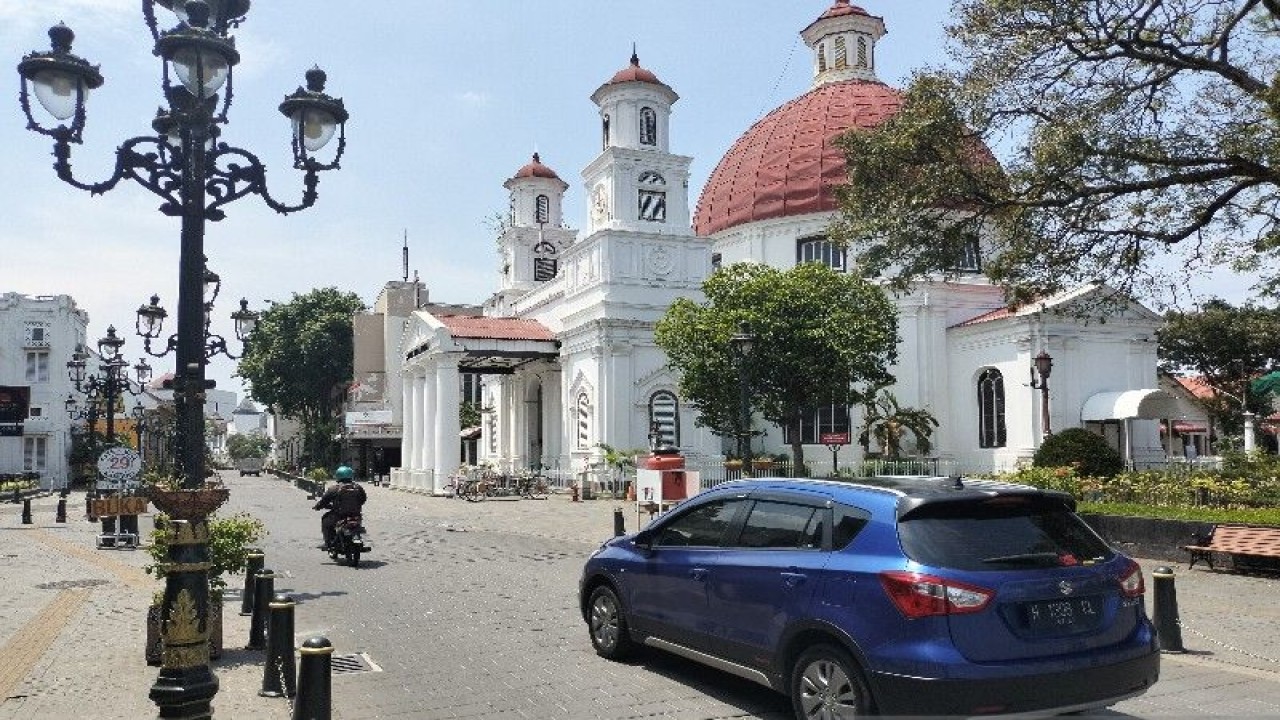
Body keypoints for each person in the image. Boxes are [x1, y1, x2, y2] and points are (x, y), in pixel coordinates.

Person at [313, 465, 366, 550]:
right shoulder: (358, 487)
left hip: (338, 515)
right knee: (358, 526)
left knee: (325, 520)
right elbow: (363, 499)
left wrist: (317, 507)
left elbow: (324, 501)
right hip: (356, 515)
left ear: (338, 475)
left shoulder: (334, 489)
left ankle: (328, 542)